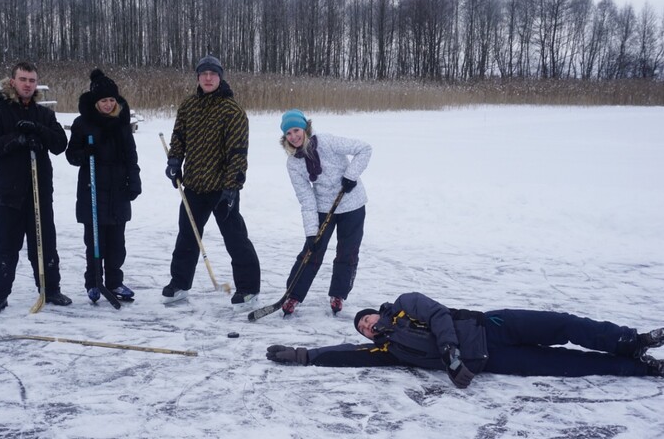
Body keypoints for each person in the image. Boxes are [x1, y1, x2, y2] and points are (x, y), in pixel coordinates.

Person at [266, 291, 664, 386]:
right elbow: (347, 355)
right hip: (492, 361)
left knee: (564, 325)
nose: (368, 327)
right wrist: (305, 354)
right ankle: (639, 367)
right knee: (568, 365)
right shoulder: (388, 349)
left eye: (367, 319)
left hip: (492, 326)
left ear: (375, 311)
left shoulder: (404, 305)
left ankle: (632, 339)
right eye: (364, 329)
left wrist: (449, 350)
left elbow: (439, 314)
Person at [163, 54, 261, 309]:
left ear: (220, 77)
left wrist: (232, 188)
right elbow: (178, 137)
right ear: (198, 77)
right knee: (187, 236)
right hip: (194, 185)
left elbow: (238, 153)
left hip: (222, 188)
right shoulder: (188, 105)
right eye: (203, 74)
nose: (208, 78)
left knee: (235, 238)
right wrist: (174, 160)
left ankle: (248, 289)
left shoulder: (233, 110)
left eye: (213, 74)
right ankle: (179, 284)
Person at [0, 61, 72, 315]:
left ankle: (50, 289)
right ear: (13, 82)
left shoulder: (44, 114)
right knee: (4, 246)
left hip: (39, 191)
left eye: (32, 80)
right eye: (23, 80)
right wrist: (17, 139)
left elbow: (59, 143)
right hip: (6, 191)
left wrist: (38, 131)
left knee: (44, 244)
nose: (28, 85)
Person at [278, 109, 372, 316]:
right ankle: (292, 295)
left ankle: (338, 294)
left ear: (305, 128)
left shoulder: (327, 142)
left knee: (347, 252)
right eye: (289, 134)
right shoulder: (293, 163)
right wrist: (312, 232)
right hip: (323, 209)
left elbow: (364, 149)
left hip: (352, 204)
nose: (293, 136)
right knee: (312, 251)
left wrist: (350, 175)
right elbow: (306, 198)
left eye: (296, 130)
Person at [66, 69, 141, 303]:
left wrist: (134, 180)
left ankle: (115, 282)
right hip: (93, 190)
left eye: (111, 100)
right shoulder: (82, 124)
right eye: (103, 100)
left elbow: (131, 155)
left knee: (117, 244)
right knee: (95, 243)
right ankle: (94, 282)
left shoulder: (121, 123)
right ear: (95, 102)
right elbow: (71, 155)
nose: (108, 104)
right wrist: (83, 153)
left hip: (118, 191)